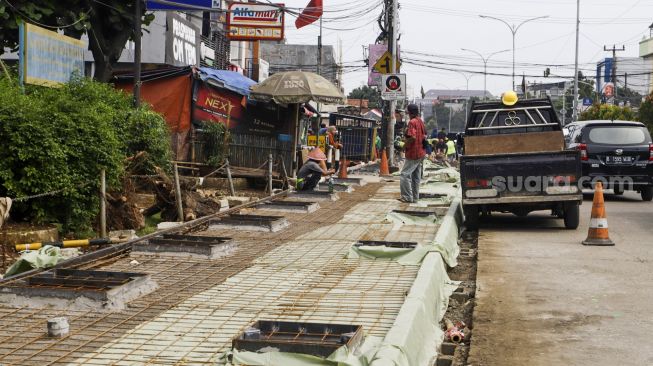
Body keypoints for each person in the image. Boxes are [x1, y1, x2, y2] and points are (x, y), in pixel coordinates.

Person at [399, 104, 427, 203]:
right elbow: (424, 135)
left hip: (413, 152)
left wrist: (404, 145)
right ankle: (415, 198)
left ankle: (407, 197)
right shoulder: (420, 121)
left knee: (404, 175)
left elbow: (413, 137)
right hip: (421, 152)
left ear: (409, 112)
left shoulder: (412, 122)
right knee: (416, 176)